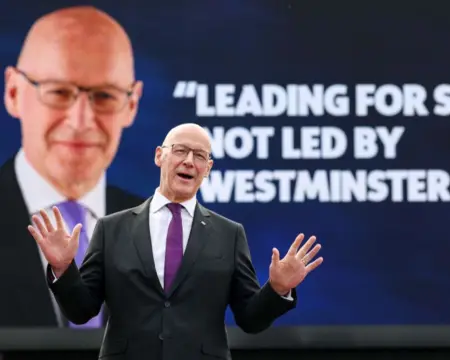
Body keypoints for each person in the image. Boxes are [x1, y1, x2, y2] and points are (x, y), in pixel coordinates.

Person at [28, 123, 323, 360]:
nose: (189, 161)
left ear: (207, 168)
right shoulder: (111, 228)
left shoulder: (229, 234)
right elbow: (82, 311)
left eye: (199, 156)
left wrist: (278, 289)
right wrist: (64, 269)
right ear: (160, 155)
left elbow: (250, 319)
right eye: (180, 150)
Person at [0, 6, 144, 327]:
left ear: (131, 104)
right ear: (13, 92)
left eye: (104, 95)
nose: (80, 121)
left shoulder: (156, 228)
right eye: (59, 92)